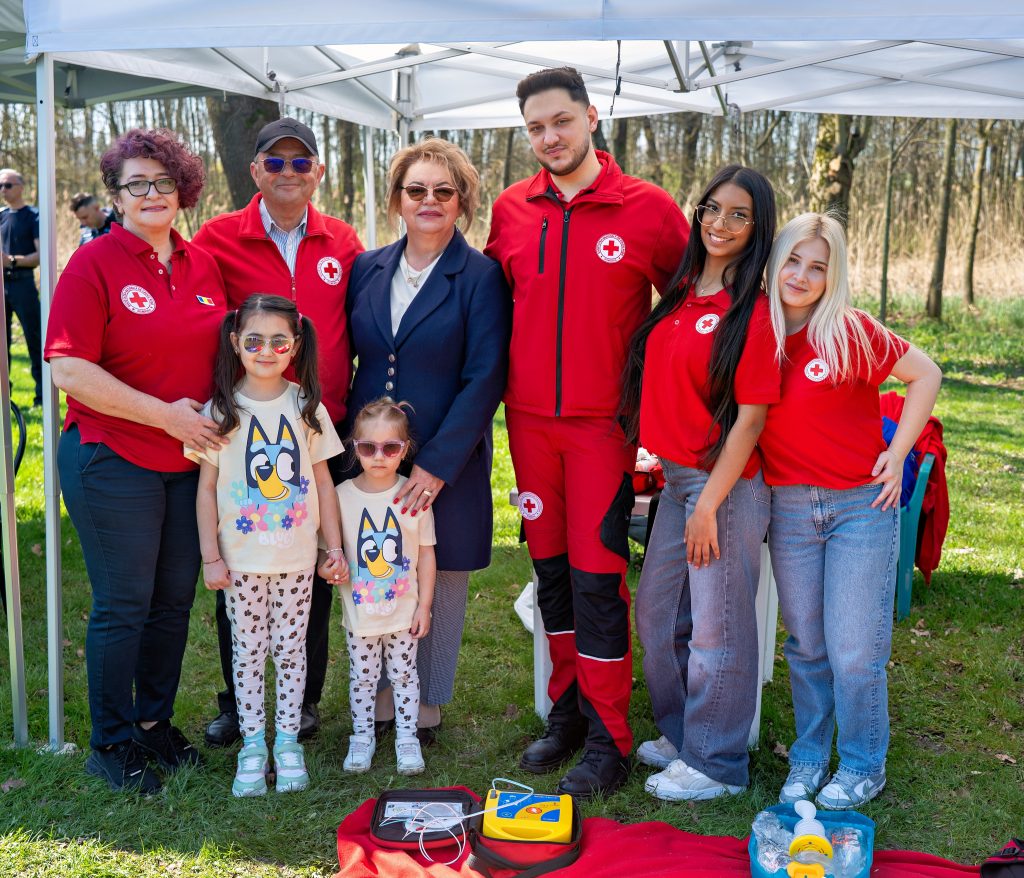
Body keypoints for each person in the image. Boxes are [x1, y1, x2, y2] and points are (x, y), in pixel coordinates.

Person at [484, 67, 689, 798]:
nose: (549, 138)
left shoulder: (649, 209)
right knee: (551, 577)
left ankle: (610, 738)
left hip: (604, 429)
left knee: (598, 580)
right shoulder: (511, 209)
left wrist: (659, 403)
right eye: (535, 127)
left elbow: (691, 309)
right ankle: (567, 712)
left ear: (592, 117)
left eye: (561, 121)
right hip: (529, 425)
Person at [44, 129, 227, 793]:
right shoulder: (93, 263)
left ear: (183, 190)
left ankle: (153, 724)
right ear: (116, 197)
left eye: (164, 182)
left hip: (186, 460)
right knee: (125, 602)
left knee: (172, 602)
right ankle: (110, 743)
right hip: (110, 454)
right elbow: (68, 370)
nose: (152, 194)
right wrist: (165, 415)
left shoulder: (203, 264)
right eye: (137, 184)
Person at [759, 213, 941, 809]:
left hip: (859, 507)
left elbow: (926, 375)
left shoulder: (849, 331)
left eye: (818, 267)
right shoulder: (756, 332)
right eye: (793, 260)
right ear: (774, 261)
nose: (801, 275)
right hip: (789, 508)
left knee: (856, 652)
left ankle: (863, 763)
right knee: (807, 645)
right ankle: (810, 757)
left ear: (832, 277)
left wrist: (898, 452)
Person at [193, 117, 364, 747]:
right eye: (275, 161)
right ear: (255, 170)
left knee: (313, 565)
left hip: (318, 424)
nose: (288, 172)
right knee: (239, 566)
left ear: (317, 171)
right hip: (242, 429)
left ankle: (302, 700)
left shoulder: (342, 240)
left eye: (300, 162)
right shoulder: (216, 238)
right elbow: (198, 322)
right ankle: (238, 703)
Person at [620, 165, 779, 802]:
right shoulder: (683, 288)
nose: (721, 223)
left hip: (726, 487)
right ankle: (686, 732)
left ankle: (717, 763)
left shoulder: (754, 311)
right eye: (712, 208)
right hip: (678, 479)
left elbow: (751, 420)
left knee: (718, 628)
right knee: (658, 616)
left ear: (758, 227)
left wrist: (710, 503)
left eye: (739, 214)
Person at [345, 137, 509, 747]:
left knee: (441, 569)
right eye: (416, 189)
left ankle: (428, 698)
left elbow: (485, 377)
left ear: (462, 201)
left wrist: (436, 465)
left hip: (447, 453)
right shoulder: (367, 267)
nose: (429, 200)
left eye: (444, 190)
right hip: (371, 455)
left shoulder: (481, 277)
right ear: (397, 198)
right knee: (377, 564)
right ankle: (379, 689)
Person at [187, 294, 344, 797]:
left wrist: (333, 549)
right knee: (248, 654)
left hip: (297, 561)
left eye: (279, 341)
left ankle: (288, 742)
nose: (266, 351)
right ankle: (254, 744)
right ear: (235, 343)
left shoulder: (307, 407)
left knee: (292, 652)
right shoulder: (220, 410)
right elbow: (206, 490)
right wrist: (211, 556)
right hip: (241, 563)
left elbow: (324, 485)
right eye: (254, 341)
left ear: (295, 346)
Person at [334, 399, 436, 776]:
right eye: (368, 447)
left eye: (390, 447)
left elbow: (426, 554)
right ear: (354, 446)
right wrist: (331, 567)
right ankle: (362, 737)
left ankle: (407, 738)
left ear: (405, 449)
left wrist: (424, 606)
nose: (379, 456)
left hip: (403, 614)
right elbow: (328, 552)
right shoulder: (341, 496)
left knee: (405, 676)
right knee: (362, 678)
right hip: (360, 615)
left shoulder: (413, 495)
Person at [0, 168, 43, 406]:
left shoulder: (33, 216)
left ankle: (42, 397)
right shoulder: (1, 215)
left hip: (23, 284)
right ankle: (5, 398)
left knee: (34, 339)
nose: (3, 190)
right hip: (1, 285)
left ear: (21, 187)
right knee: (1, 343)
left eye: (7, 185)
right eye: (0, 186)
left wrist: (12, 260)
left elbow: (40, 255)